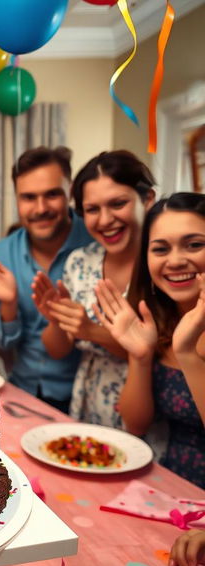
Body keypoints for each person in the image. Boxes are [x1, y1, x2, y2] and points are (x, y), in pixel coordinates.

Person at [33, 151, 155, 428]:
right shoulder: (80, 262)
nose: (105, 220)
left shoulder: (163, 266)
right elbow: (58, 350)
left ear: (147, 200)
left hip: (145, 407)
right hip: (87, 402)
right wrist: (56, 319)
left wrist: (91, 331)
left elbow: (161, 357)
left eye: (118, 203)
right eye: (92, 209)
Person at [95, 193, 205, 488]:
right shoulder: (160, 320)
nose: (176, 260)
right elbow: (136, 424)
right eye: (160, 249)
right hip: (172, 486)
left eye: (194, 245)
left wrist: (187, 354)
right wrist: (140, 356)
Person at [0, 147, 92, 413]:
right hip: (22, 392)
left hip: (84, 398)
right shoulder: (2, 253)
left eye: (52, 194)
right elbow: (4, 345)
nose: (40, 208)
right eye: (29, 197)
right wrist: (8, 307)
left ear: (70, 189)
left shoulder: (95, 242)